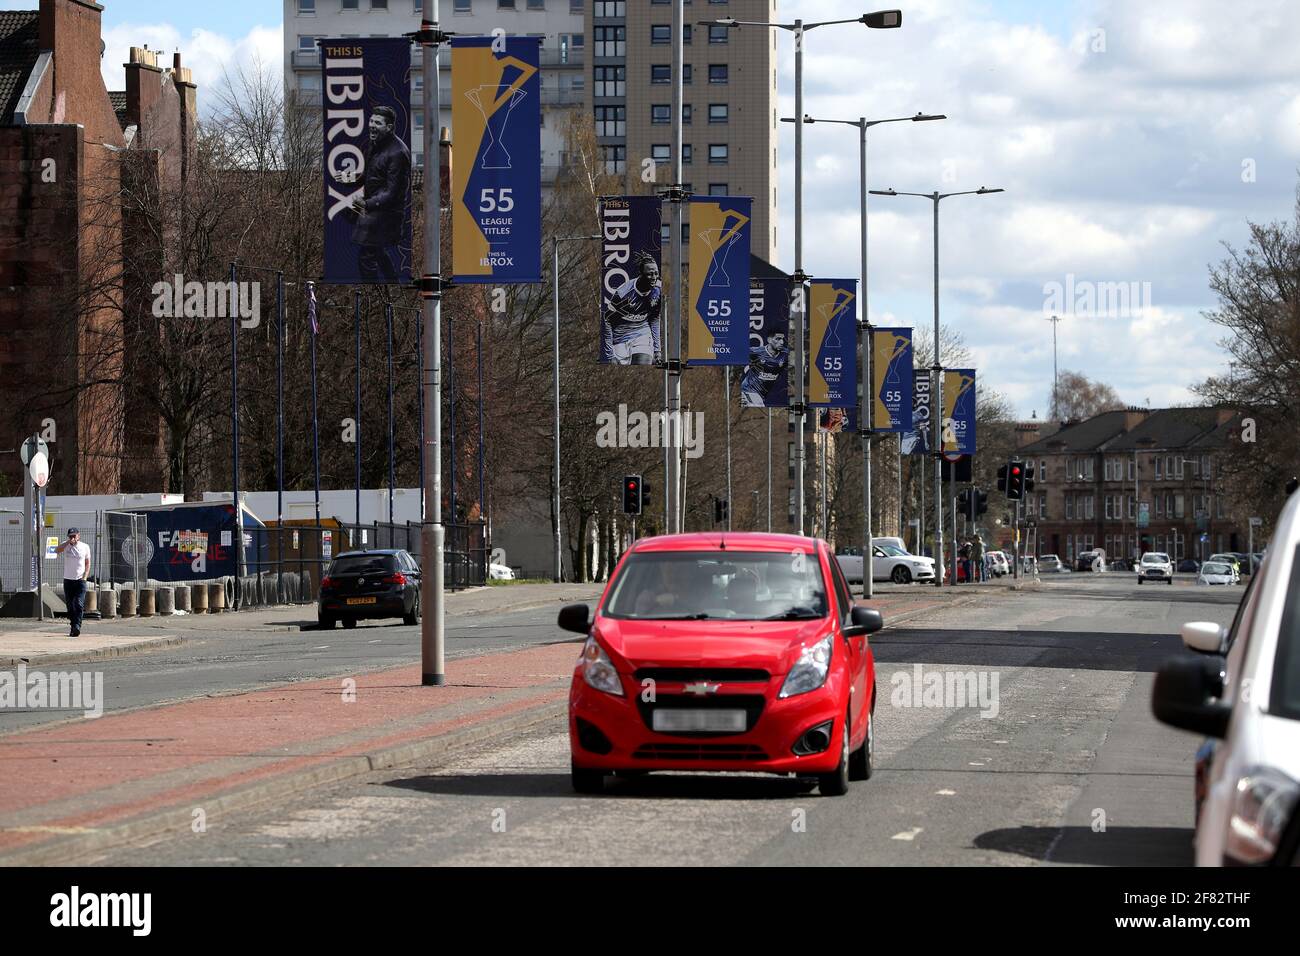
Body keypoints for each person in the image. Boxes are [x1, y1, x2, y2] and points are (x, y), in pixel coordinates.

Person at [350, 106, 411, 283]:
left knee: (367, 254)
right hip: (374, 208)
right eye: (371, 121)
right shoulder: (375, 144)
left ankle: (372, 295)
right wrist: (350, 179)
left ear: (389, 127)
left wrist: (366, 204)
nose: (372, 125)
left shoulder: (398, 152)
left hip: (387, 214)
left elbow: (392, 192)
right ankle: (393, 284)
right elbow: (370, 175)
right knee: (376, 251)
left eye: (378, 123)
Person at [602, 251, 662, 365]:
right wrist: (610, 355)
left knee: (642, 364)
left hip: (642, 334)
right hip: (620, 338)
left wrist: (657, 350)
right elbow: (607, 320)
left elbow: (654, 318)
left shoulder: (658, 291)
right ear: (641, 273)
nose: (654, 277)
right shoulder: (623, 293)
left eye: (656, 273)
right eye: (650, 274)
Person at [55, 527, 91, 638]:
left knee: (78, 604)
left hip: (80, 580)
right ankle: (73, 626)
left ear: (78, 536)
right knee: (70, 606)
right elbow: (57, 550)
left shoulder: (84, 547)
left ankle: (77, 626)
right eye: (70, 536)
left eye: (74, 536)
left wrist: (85, 576)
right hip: (68, 580)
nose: (72, 538)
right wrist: (67, 543)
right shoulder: (65, 546)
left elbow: (87, 563)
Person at [740, 331, 790, 407]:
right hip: (749, 390)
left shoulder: (785, 354)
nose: (781, 342)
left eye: (782, 339)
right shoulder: (756, 352)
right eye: (778, 339)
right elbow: (738, 353)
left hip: (762, 394)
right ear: (769, 340)